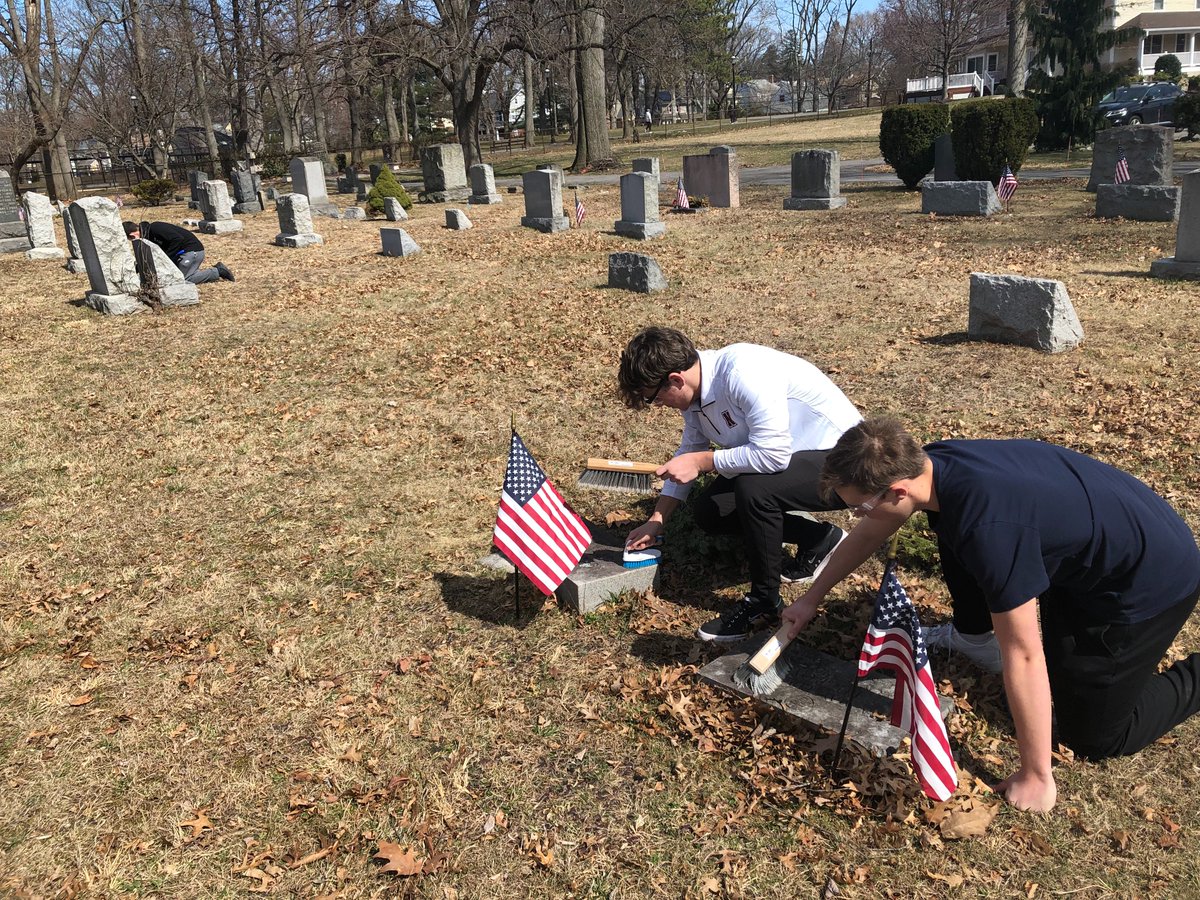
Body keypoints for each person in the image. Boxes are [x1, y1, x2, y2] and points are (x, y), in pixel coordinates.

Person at [781, 417, 1200, 812]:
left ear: (897, 492)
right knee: (955, 536)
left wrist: (1037, 774)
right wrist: (811, 599)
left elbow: (1023, 653)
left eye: (861, 507)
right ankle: (973, 633)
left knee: (1095, 736)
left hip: (1145, 584)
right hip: (1099, 548)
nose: (859, 516)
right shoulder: (933, 464)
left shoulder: (988, 529)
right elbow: (875, 529)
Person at [618, 327, 862, 643]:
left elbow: (771, 456)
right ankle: (820, 539)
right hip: (793, 460)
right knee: (710, 511)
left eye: (655, 397)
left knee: (753, 489)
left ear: (676, 379)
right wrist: (657, 519)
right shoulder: (695, 393)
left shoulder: (742, 374)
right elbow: (690, 450)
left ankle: (764, 602)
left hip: (846, 463)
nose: (658, 404)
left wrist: (704, 463)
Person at [123, 221, 235, 284]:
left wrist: (166, 258)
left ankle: (217, 271)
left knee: (183, 280)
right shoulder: (148, 236)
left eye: (131, 239)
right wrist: (137, 268)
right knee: (172, 277)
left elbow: (178, 239)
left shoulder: (156, 228)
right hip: (182, 254)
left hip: (192, 251)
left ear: (133, 235)